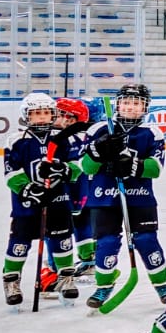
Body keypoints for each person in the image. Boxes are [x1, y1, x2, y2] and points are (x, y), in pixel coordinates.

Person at [80, 83, 166, 308]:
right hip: (104, 197)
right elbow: (86, 167)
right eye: (126, 102)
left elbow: (156, 168)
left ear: (145, 107)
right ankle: (104, 286)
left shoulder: (151, 132)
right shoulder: (98, 130)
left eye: (137, 103)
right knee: (107, 242)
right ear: (118, 104)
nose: (131, 107)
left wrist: (130, 165)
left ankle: (162, 284)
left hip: (140, 196)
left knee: (146, 240)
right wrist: (98, 151)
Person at [1, 92, 77, 306]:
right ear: (27, 116)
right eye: (36, 113)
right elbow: (11, 172)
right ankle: (11, 280)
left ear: (53, 114)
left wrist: (64, 169)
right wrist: (29, 189)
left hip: (58, 199)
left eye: (46, 112)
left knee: (62, 239)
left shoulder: (64, 138)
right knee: (20, 242)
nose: (42, 117)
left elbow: (78, 165)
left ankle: (65, 278)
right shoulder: (17, 141)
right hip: (26, 203)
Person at [53, 97, 95, 276]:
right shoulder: (85, 135)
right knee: (82, 222)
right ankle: (89, 260)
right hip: (86, 189)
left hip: (71, 189)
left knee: (59, 228)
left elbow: (76, 165)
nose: (55, 118)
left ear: (71, 119)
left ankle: (58, 267)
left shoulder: (67, 138)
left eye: (60, 114)